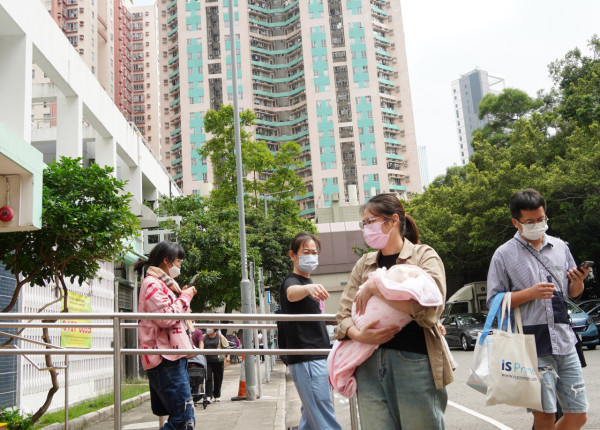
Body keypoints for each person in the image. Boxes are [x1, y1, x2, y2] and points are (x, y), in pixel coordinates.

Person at [334, 193, 453, 429]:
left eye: (371, 221)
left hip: (414, 360)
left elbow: (431, 310)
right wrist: (360, 335)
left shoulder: (423, 256)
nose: (366, 228)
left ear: (393, 221)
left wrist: (377, 288)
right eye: (364, 223)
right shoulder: (365, 263)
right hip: (366, 363)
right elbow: (342, 316)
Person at [487, 189, 590, 430]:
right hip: (532, 343)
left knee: (579, 415)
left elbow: (572, 293)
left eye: (541, 219)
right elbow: (493, 302)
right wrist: (529, 294)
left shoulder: (560, 246)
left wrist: (578, 282)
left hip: (564, 340)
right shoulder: (504, 254)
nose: (537, 224)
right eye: (530, 221)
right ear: (516, 222)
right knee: (544, 416)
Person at [280, 232, 342, 430]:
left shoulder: (308, 282)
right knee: (322, 413)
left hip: (318, 355)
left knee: (311, 415)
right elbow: (290, 294)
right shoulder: (293, 282)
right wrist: (308, 289)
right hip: (307, 357)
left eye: (314, 252)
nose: (311, 256)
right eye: (305, 252)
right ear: (293, 255)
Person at [134, 240, 197, 430]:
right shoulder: (152, 283)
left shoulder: (164, 284)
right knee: (183, 420)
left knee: (184, 419)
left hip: (172, 356)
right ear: (166, 261)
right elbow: (166, 318)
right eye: (178, 262)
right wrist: (186, 297)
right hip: (164, 357)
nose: (180, 266)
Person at [203, 328, 229, 403]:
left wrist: (227, 357)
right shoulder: (204, 337)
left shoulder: (220, 337)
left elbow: (227, 347)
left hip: (218, 361)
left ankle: (217, 395)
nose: (208, 329)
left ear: (215, 330)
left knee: (218, 378)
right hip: (207, 361)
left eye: (210, 328)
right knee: (208, 377)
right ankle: (209, 396)